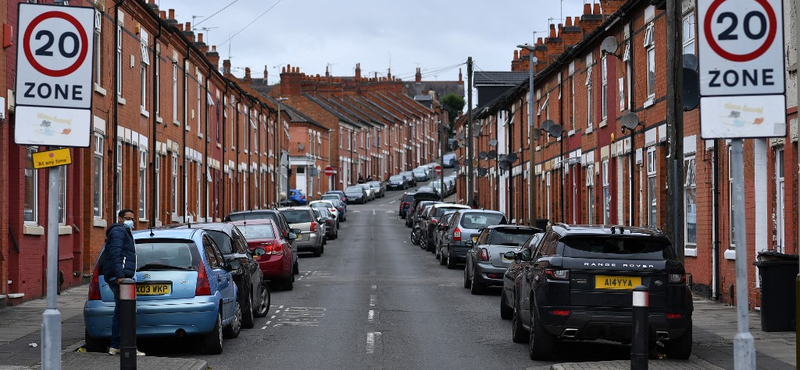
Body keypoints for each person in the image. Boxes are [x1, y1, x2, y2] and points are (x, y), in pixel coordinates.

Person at [103, 209, 144, 356]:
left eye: (132, 219)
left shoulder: (123, 232)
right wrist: (120, 276)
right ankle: (128, 347)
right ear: (120, 219)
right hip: (120, 278)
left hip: (123, 277)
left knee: (121, 311)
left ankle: (116, 345)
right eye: (127, 218)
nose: (130, 221)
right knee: (127, 312)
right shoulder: (119, 232)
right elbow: (115, 253)